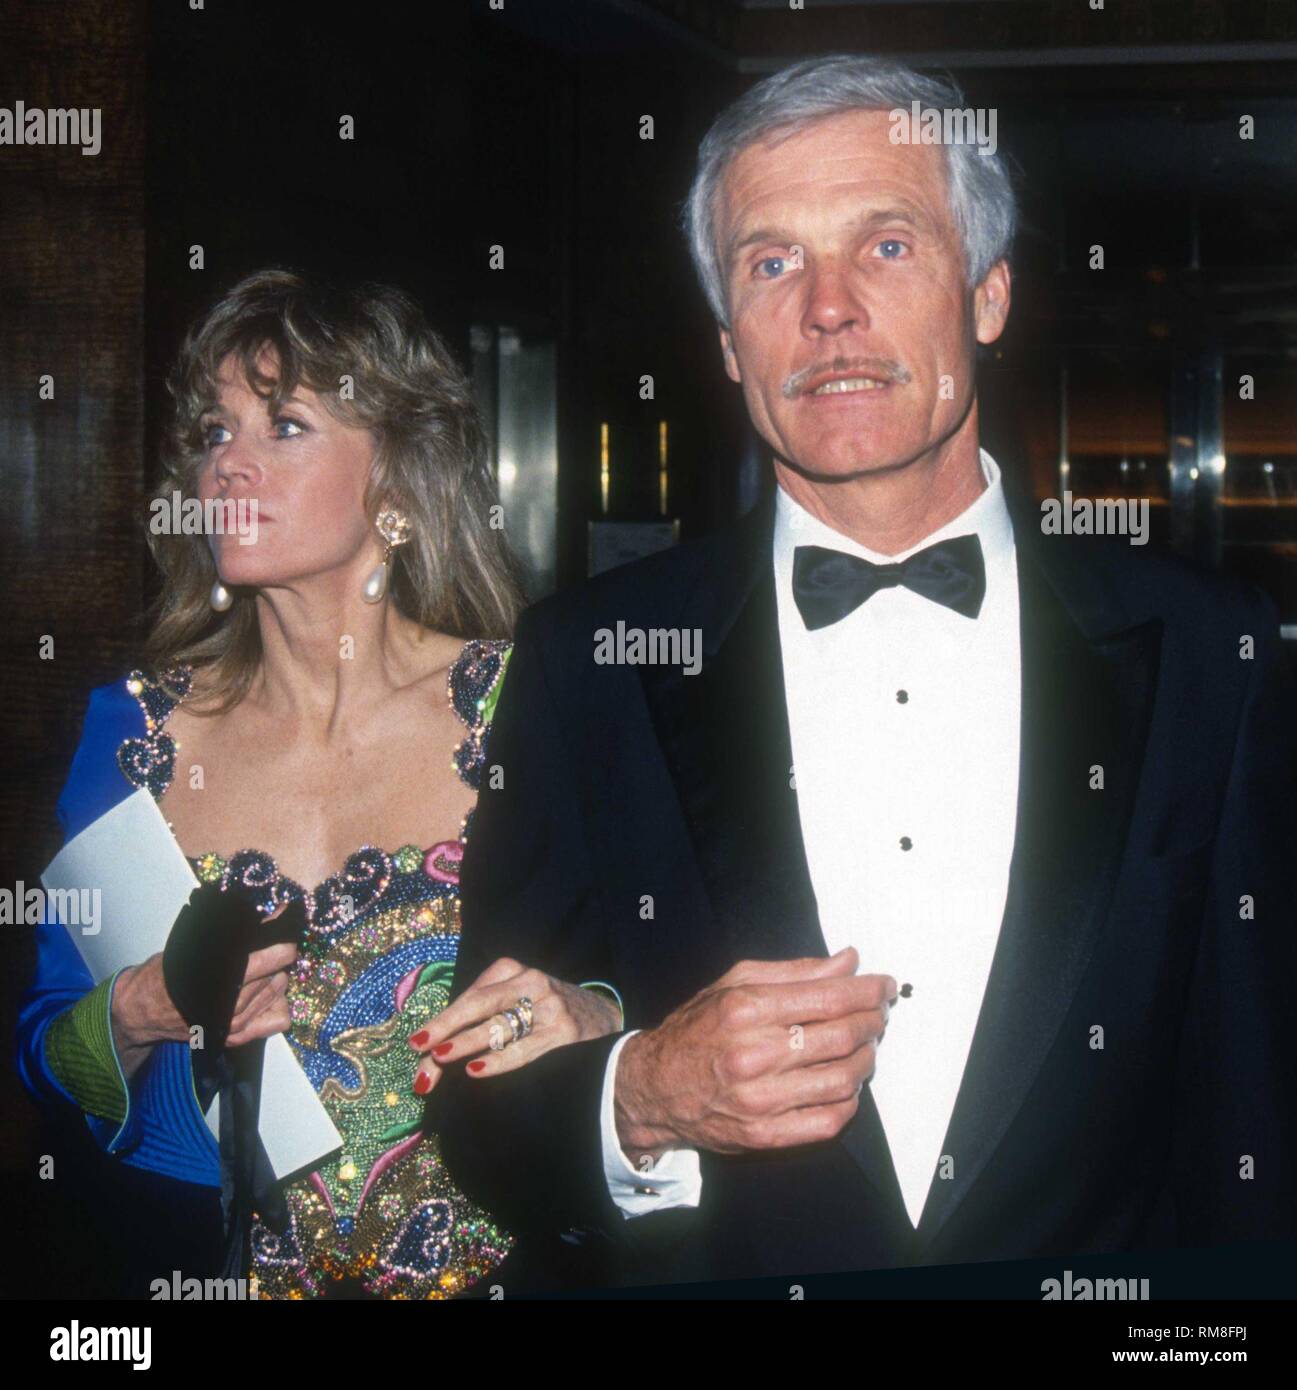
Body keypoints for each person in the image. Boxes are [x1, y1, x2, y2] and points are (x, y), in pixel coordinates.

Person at [425, 54, 1297, 1288]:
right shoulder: (587, 660)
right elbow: (480, 1095)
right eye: (771, 262)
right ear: (728, 342)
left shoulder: (1216, 655)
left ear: (988, 296)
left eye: (885, 246)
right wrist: (645, 1095)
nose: (827, 307)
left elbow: (1256, 1128)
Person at [17, 268, 624, 1299]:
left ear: (394, 479)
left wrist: (589, 1015)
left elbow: (642, 987)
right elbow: (44, 1046)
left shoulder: (529, 701)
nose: (228, 465)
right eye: (213, 433)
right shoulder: (130, 729)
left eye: (284, 426)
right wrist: (137, 1009)